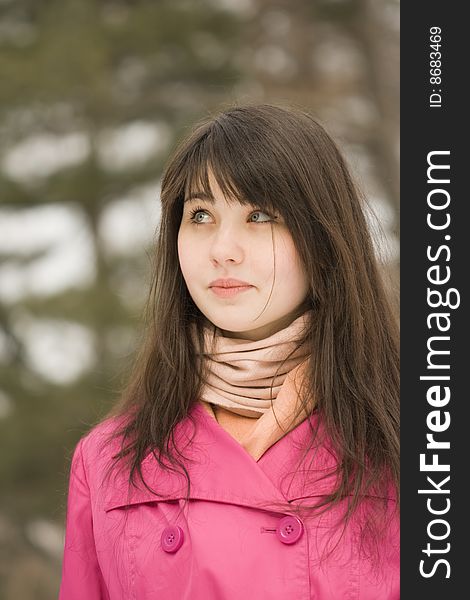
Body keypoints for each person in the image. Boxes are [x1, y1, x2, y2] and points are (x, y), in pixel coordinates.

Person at [59, 104, 399, 599]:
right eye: (200, 215)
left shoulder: (415, 438)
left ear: (324, 238)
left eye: (259, 215)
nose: (223, 248)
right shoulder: (108, 459)